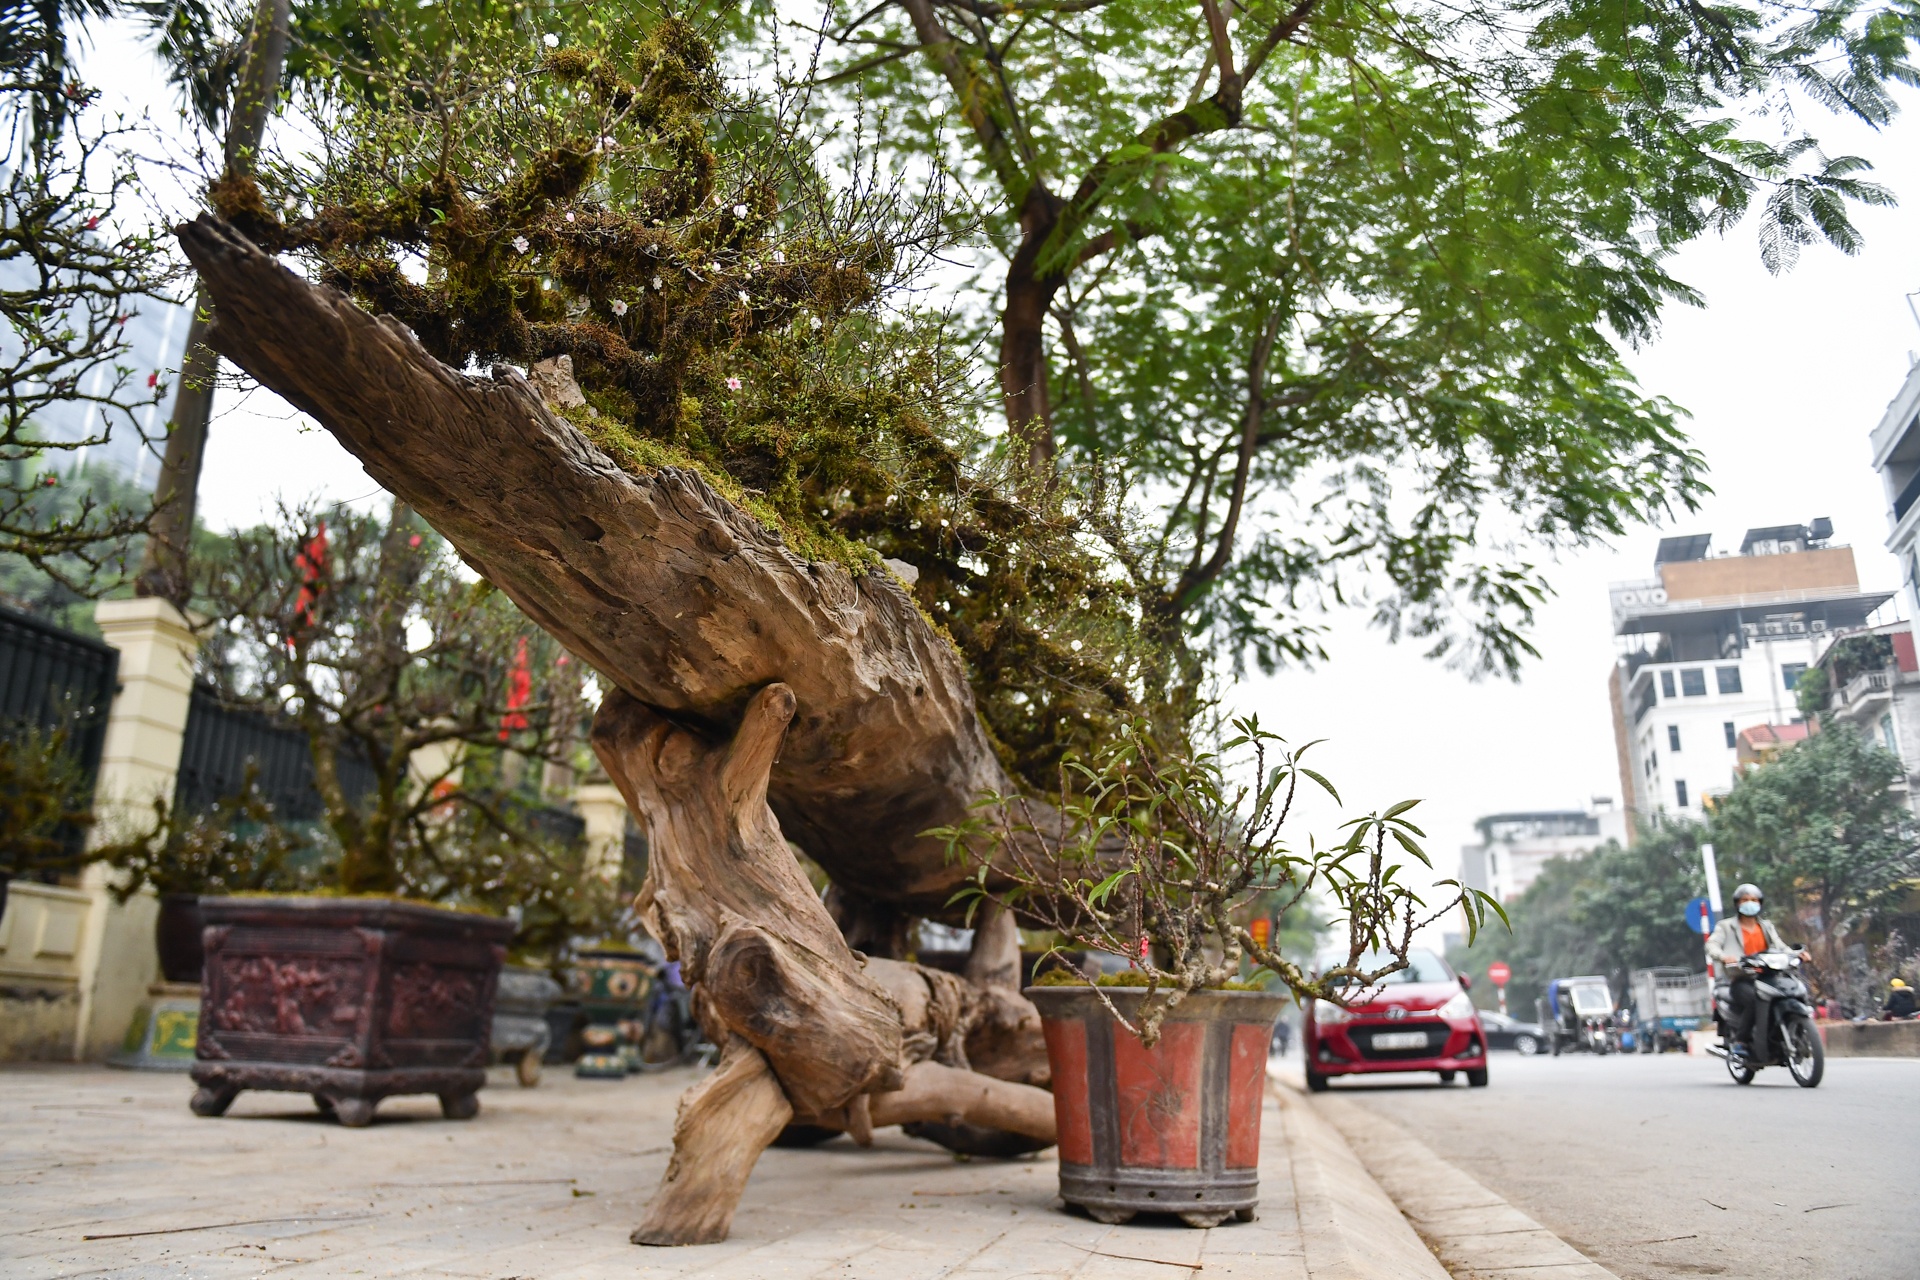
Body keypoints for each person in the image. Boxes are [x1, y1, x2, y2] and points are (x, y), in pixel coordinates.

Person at [1704, 884, 1808, 1060]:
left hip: (1769, 976)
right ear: (1737, 904)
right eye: (1745, 900)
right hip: (1742, 978)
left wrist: (1797, 954)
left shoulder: (1766, 926)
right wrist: (1723, 956)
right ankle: (1741, 1041)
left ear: (1760, 903)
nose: (1749, 903)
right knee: (1754, 999)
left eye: (1754, 900)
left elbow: (1780, 946)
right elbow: (1711, 944)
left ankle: (1795, 1032)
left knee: (1795, 990)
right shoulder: (1726, 926)